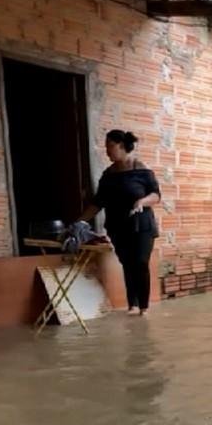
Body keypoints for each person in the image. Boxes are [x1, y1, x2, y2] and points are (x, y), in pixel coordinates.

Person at [81, 129, 161, 316]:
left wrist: (142, 201)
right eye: (106, 147)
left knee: (140, 262)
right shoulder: (108, 175)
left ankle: (144, 306)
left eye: (110, 146)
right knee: (127, 263)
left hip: (141, 226)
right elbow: (97, 203)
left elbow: (156, 195)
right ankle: (132, 304)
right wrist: (79, 222)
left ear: (123, 146)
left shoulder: (141, 169)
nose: (107, 151)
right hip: (118, 227)